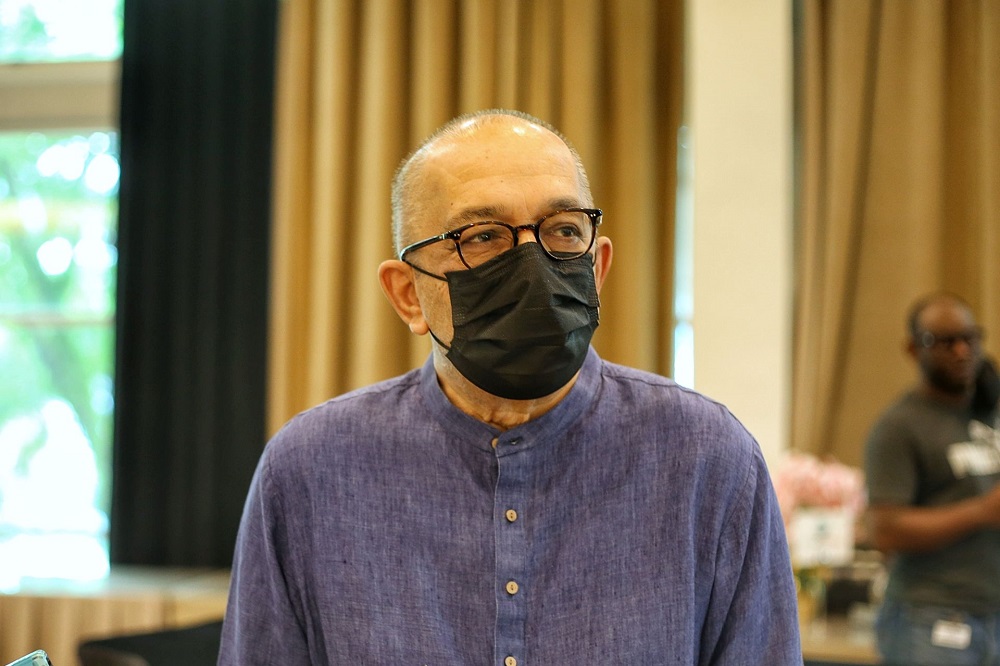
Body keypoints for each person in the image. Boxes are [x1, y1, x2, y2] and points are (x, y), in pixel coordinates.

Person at [218, 109, 801, 664]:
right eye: (483, 237)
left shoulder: (708, 462)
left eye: (563, 230)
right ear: (407, 295)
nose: (533, 264)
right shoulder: (309, 471)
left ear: (596, 269)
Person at [865, 292, 1000, 665]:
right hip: (929, 620)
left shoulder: (990, 412)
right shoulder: (898, 427)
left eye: (970, 338)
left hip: (993, 615)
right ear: (913, 349)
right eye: (944, 342)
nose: (961, 351)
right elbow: (884, 530)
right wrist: (981, 512)